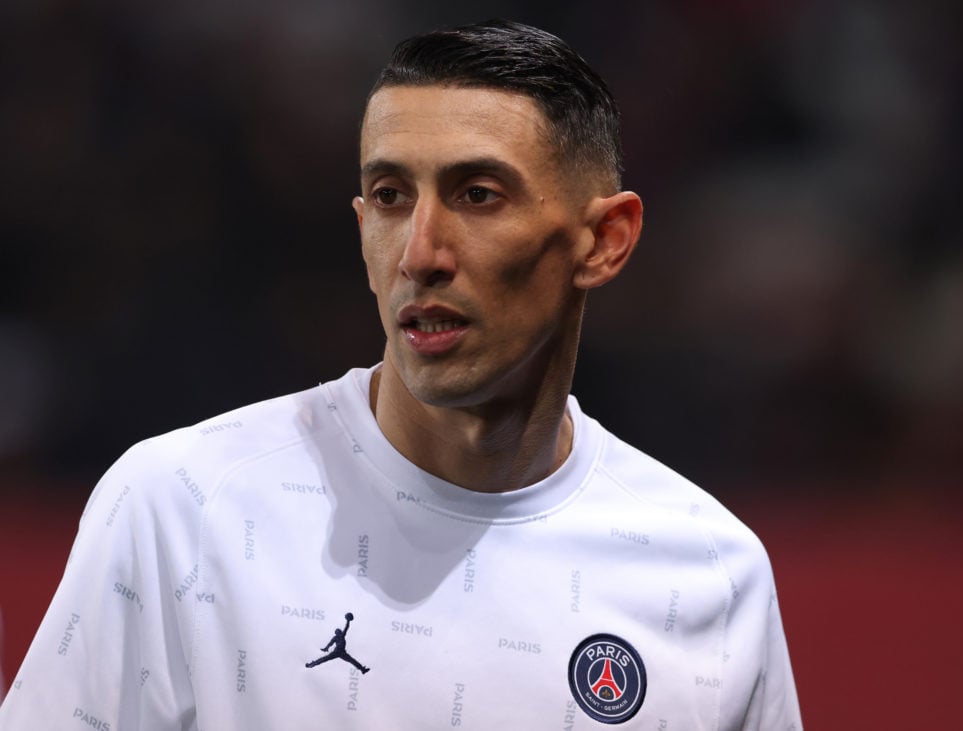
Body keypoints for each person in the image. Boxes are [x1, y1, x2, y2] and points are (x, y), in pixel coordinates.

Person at [0, 19, 801, 729]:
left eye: (478, 194)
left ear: (605, 241)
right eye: (389, 196)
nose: (420, 252)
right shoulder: (180, 508)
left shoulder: (710, 575)